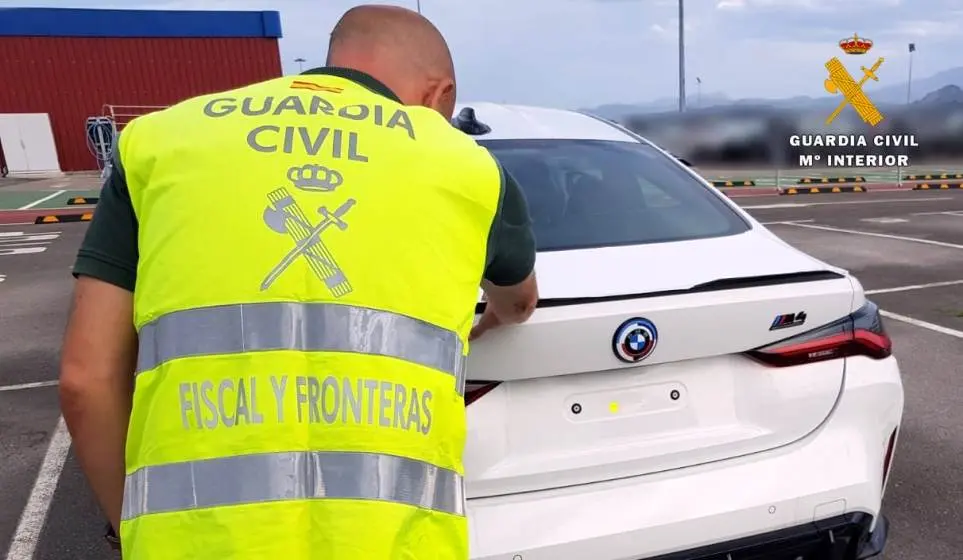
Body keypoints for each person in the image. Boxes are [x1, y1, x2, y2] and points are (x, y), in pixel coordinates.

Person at [58, 5, 538, 559]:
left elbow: (86, 380)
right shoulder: (469, 168)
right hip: (391, 543)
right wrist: (495, 319)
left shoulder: (160, 142)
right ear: (440, 95)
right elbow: (519, 300)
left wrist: (133, 530)